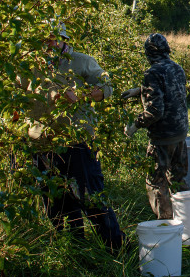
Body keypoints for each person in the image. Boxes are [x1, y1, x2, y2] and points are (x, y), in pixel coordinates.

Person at [24, 30, 125, 251]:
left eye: (52, 38)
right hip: (42, 142)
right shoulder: (31, 64)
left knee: (90, 195)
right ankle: (69, 247)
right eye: (43, 39)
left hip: (77, 141)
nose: (48, 43)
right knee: (53, 199)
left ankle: (115, 246)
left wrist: (82, 94)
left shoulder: (82, 62)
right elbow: (18, 95)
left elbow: (107, 87)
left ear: (64, 39)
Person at [123, 33, 189, 219]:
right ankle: (188, 220)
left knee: (156, 181)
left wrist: (135, 125)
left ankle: (166, 225)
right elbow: (171, 92)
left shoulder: (151, 73)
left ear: (148, 53)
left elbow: (155, 111)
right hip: (180, 133)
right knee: (178, 180)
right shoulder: (177, 68)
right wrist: (140, 91)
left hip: (162, 137)